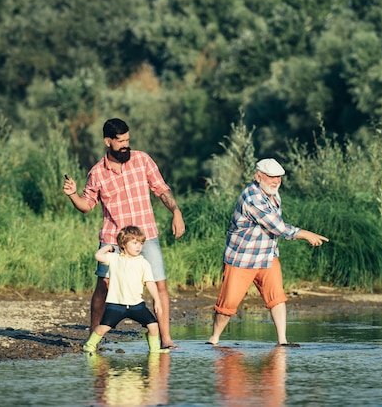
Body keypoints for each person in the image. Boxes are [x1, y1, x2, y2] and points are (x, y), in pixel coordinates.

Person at [63, 117, 185, 350]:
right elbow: (87, 206)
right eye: (120, 141)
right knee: (103, 285)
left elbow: (162, 189)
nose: (126, 145)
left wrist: (176, 211)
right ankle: (93, 337)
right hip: (112, 238)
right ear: (107, 141)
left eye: (128, 139)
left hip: (146, 234)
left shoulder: (142, 160)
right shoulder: (97, 172)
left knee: (159, 285)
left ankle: (166, 339)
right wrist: (72, 195)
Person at [207, 158, 329, 346]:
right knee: (227, 306)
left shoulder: (273, 194)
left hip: (267, 256)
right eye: (271, 177)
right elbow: (277, 227)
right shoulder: (252, 197)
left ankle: (282, 341)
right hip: (243, 258)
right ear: (258, 177)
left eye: (279, 177)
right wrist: (305, 234)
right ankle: (213, 340)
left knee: (277, 298)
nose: (276, 181)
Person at [83, 226, 170, 354]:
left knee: (153, 326)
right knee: (102, 328)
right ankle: (89, 345)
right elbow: (98, 256)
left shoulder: (144, 263)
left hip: (136, 304)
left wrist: (157, 300)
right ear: (123, 244)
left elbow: (150, 283)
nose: (138, 246)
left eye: (141, 243)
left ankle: (155, 349)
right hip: (116, 305)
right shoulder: (114, 258)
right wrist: (110, 248)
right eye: (134, 243)